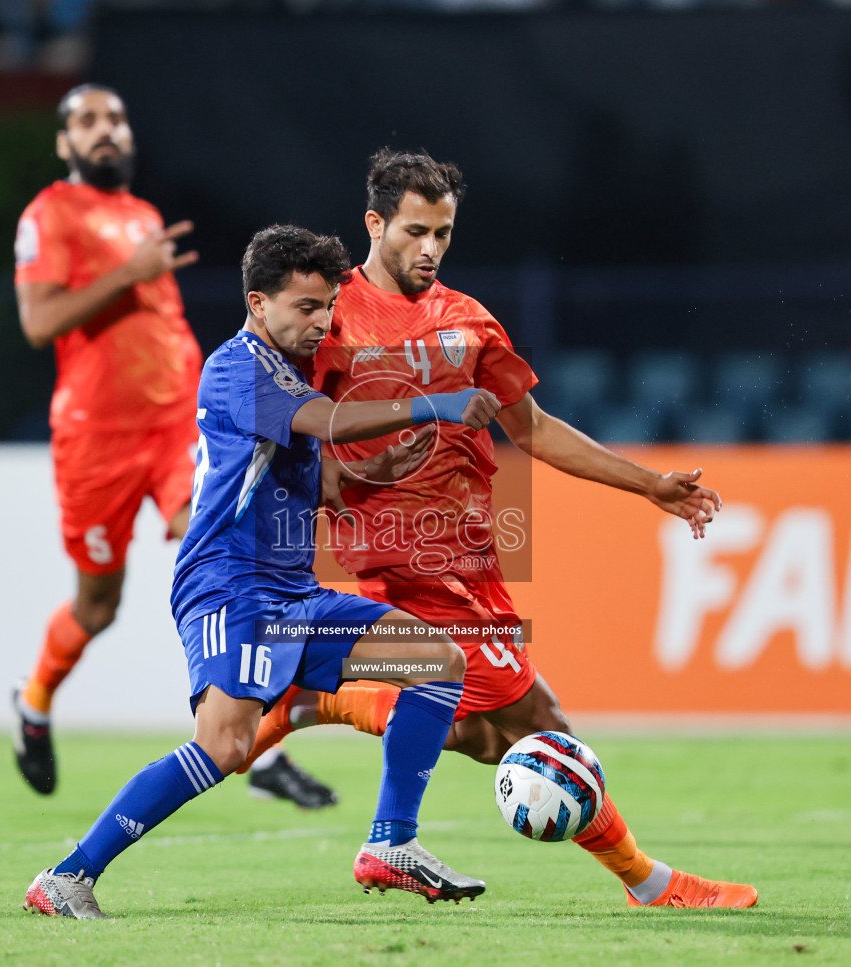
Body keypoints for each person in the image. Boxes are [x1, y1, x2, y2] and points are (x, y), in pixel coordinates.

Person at [238, 150, 758, 909]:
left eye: (444, 234)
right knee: (541, 728)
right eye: (416, 231)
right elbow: (278, 428)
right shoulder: (328, 318)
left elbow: (536, 430)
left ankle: (319, 702)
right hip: (409, 566)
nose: (431, 249)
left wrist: (648, 485)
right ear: (375, 224)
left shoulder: (468, 320)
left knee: (483, 733)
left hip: (474, 563)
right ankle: (649, 883)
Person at [24, 224, 500, 918]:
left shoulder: (287, 373)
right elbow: (330, 421)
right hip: (229, 584)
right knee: (225, 746)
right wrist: (437, 402)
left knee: (436, 660)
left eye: (327, 307)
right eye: (305, 307)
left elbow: (324, 482)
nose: (320, 321)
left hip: (291, 593)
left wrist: (375, 473)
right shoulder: (236, 369)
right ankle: (67, 877)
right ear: (258, 302)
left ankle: (391, 843)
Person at [10, 83, 335, 807]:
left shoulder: (141, 215)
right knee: (97, 607)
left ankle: (249, 728)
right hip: (95, 439)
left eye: (116, 119)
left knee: (224, 551)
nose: (105, 131)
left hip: (173, 431)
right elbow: (38, 322)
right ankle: (33, 704)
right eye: (87, 122)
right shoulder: (49, 213)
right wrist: (131, 273)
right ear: (65, 143)